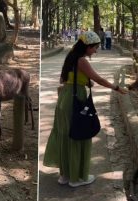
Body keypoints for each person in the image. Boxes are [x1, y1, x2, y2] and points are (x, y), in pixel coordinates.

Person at [43, 31, 126, 188]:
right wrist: (117, 87)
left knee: (65, 135)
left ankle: (65, 176)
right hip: (76, 99)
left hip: (64, 99)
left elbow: (65, 79)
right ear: (87, 47)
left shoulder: (71, 56)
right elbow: (98, 79)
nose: (96, 51)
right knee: (79, 134)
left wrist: (83, 81)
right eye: (95, 47)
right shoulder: (82, 61)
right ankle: (76, 179)